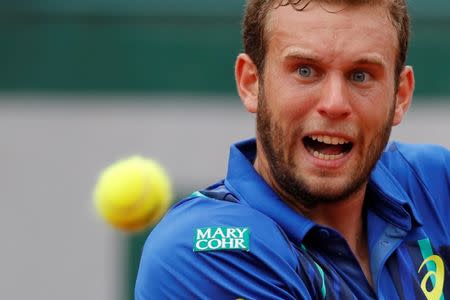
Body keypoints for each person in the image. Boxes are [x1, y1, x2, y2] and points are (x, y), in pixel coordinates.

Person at [135, 0, 450, 298]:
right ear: (251, 84)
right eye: (305, 70)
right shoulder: (200, 252)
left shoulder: (437, 182)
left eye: (360, 75)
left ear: (400, 96)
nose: (335, 104)